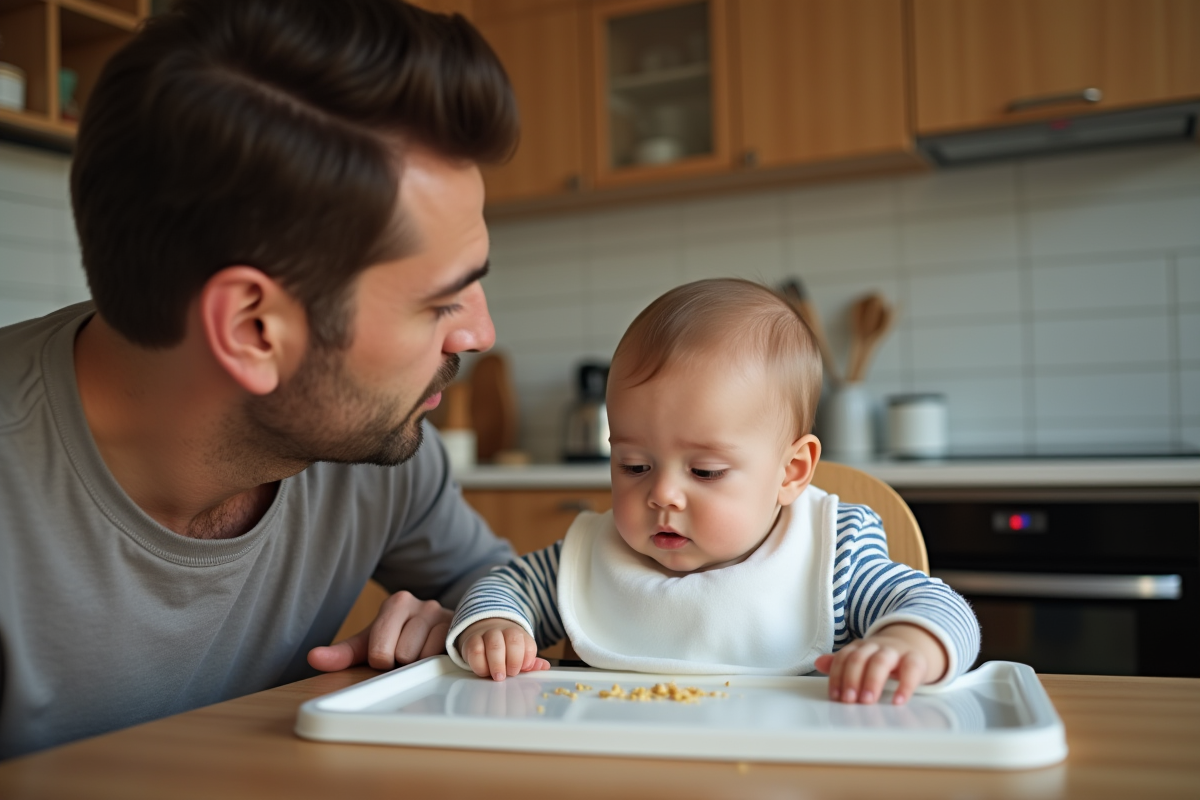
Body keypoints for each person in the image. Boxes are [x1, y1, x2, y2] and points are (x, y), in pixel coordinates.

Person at [0, 0, 522, 759]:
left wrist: (474, 626)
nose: (479, 334)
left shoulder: (379, 451)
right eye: (441, 301)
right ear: (251, 330)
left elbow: (511, 587)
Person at [447, 279, 981, 705]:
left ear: (792, 472)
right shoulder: (597, 552)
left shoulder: (833, 556)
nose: (663, 495)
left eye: (704, 471)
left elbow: (939, 606)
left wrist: (907, 644)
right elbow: (504, 585)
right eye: (634, 465)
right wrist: (497, 625)